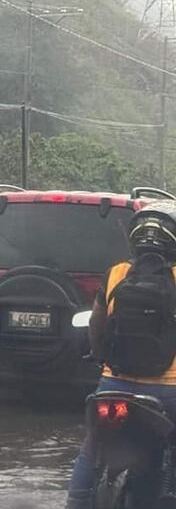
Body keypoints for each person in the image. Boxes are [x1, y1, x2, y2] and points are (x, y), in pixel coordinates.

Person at [67, 201, 176, 509]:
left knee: (92, 448)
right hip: (170, 393)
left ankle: (74, 503)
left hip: (114, 386)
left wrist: (103, 360)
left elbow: (96, 325)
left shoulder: (117, 273)